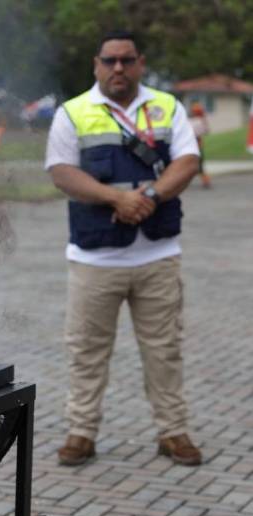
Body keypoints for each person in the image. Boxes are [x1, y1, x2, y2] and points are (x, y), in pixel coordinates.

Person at [45, 30, 202, 466]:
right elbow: (61, 172)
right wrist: (117, 198)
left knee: (164, 350)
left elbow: (187, 162)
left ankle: (173, 432)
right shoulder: (73, 113)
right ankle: (81, 433)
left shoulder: (167, 107)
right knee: (86, 351)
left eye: (127, 60)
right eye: (110, 60)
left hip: (157, 256)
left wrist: (148, 197)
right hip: (95, 260)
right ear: (96, 64)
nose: (119, 68)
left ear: (140, 63)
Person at [188, 102, 211, 188]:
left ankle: (206, 181)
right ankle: (205, 181)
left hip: (195, 146)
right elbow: (206, 131)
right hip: (195, 146)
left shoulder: (197, 121)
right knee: (198, 166)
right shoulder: (200, 121)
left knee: (198, 166)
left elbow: (203, 131)